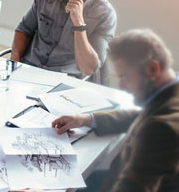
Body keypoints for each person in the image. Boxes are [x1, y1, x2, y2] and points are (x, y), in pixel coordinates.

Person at [51, 29, 179, 191]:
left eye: (125, 78)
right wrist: (85, 119)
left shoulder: (162, 129)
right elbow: (141, 115)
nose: (121, 87)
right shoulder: (170, 94)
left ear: (153, 69)